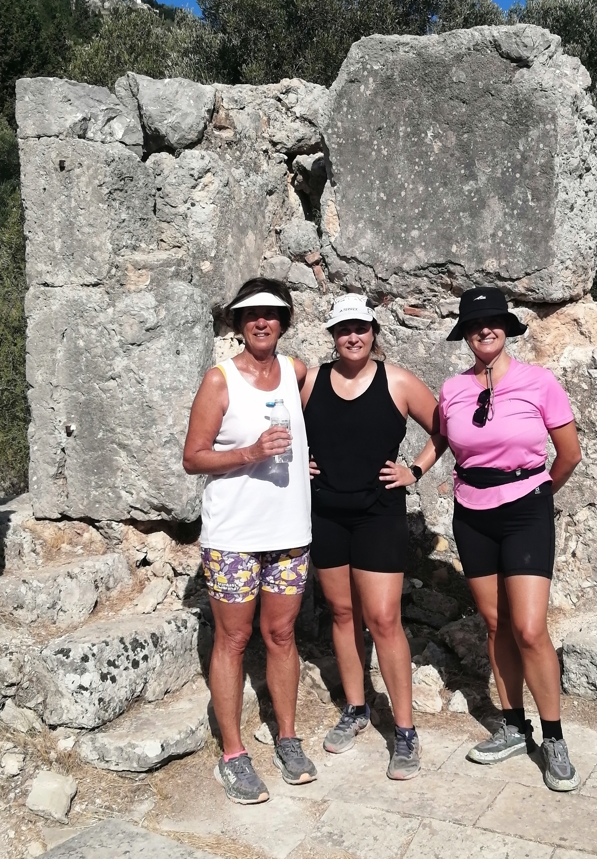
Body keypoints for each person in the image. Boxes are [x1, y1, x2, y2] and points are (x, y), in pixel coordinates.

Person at [417, 286, 583, 791]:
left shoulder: (539, 382)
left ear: (506, 328)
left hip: (526, 509)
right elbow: (442, 437)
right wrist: (414, 469)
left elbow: (569, 454)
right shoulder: (453, 388)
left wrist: (536, 495)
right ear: (465, 334)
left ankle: (554, 738)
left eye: (492, 321)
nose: (484, 330)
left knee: (529, 628)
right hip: (472, 514)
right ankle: (514, 727)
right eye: (474, 324)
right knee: (495, 625)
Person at [182, 277, 317, 805]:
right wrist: (251, 453)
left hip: (289, 531)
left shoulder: (296, 371)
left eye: (272, 313)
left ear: (284, 321)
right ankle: (234, 754)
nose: (262, 321)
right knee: (233, 640)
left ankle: (287, 738)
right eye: (252, 314)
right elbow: (193, 458)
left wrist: (307, 458)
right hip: (234, 536)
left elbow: (309, 421)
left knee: (281, 635)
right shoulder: (219, 381)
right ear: (239, 324)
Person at [300, 294, 440, 780]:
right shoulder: (310, 381)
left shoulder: (397, 381)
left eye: (360, 327)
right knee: (342, 613)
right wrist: (297, 464)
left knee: (383, 619)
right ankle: (356, 708)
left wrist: (414, 470)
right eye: (343, 329)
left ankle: (405, 731)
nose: (352, 336)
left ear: (373, 331)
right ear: (332, 335)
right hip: (327, 514)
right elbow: (276, 425)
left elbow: (445, 427)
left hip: (379, 514)